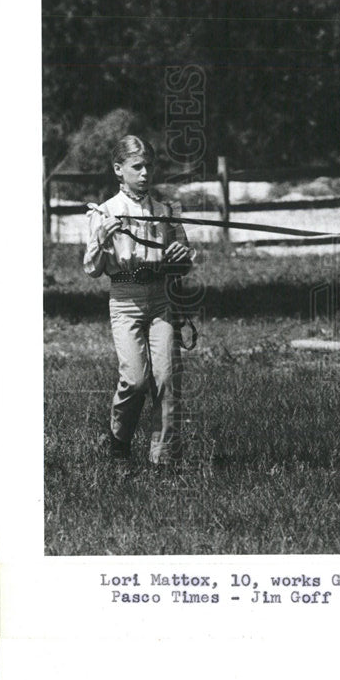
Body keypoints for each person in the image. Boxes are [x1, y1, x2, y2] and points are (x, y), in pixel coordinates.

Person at [84, 135, 194, 466]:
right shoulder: (104, 212)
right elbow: (91, 269)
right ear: (118, 170)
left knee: (166, 379)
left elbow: (185, 262)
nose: (145, 173)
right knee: (134, 378)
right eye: (137, 166)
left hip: (160, 299)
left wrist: (179, 254)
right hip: (125, 299)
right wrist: (103, 239)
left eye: (149, 166)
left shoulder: (164, 211)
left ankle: (162, 460)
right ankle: (119, 445)